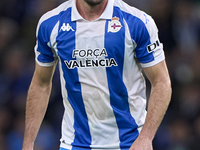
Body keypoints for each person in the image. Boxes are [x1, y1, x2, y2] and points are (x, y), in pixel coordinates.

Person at [22, 0, 172, 149]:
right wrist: (28, 143)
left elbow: (161, 82)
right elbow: (41, 84)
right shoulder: (50, 24)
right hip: (74, 144)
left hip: (130, 143)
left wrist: (146, 137)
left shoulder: (136, 22)